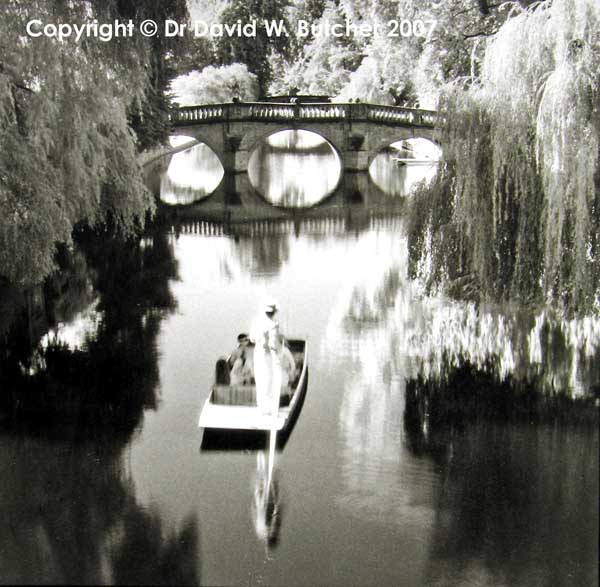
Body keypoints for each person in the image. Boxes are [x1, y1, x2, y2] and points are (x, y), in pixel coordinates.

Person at [250, 298, 284, 414]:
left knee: (260, 379)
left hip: (257, 353)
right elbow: (273, 344)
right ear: (274, 312)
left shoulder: (256, 322)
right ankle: (269, 409)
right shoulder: (273, 325)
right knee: (269, 380)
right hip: (268, 355)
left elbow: (252, 338)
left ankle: (262, 408)